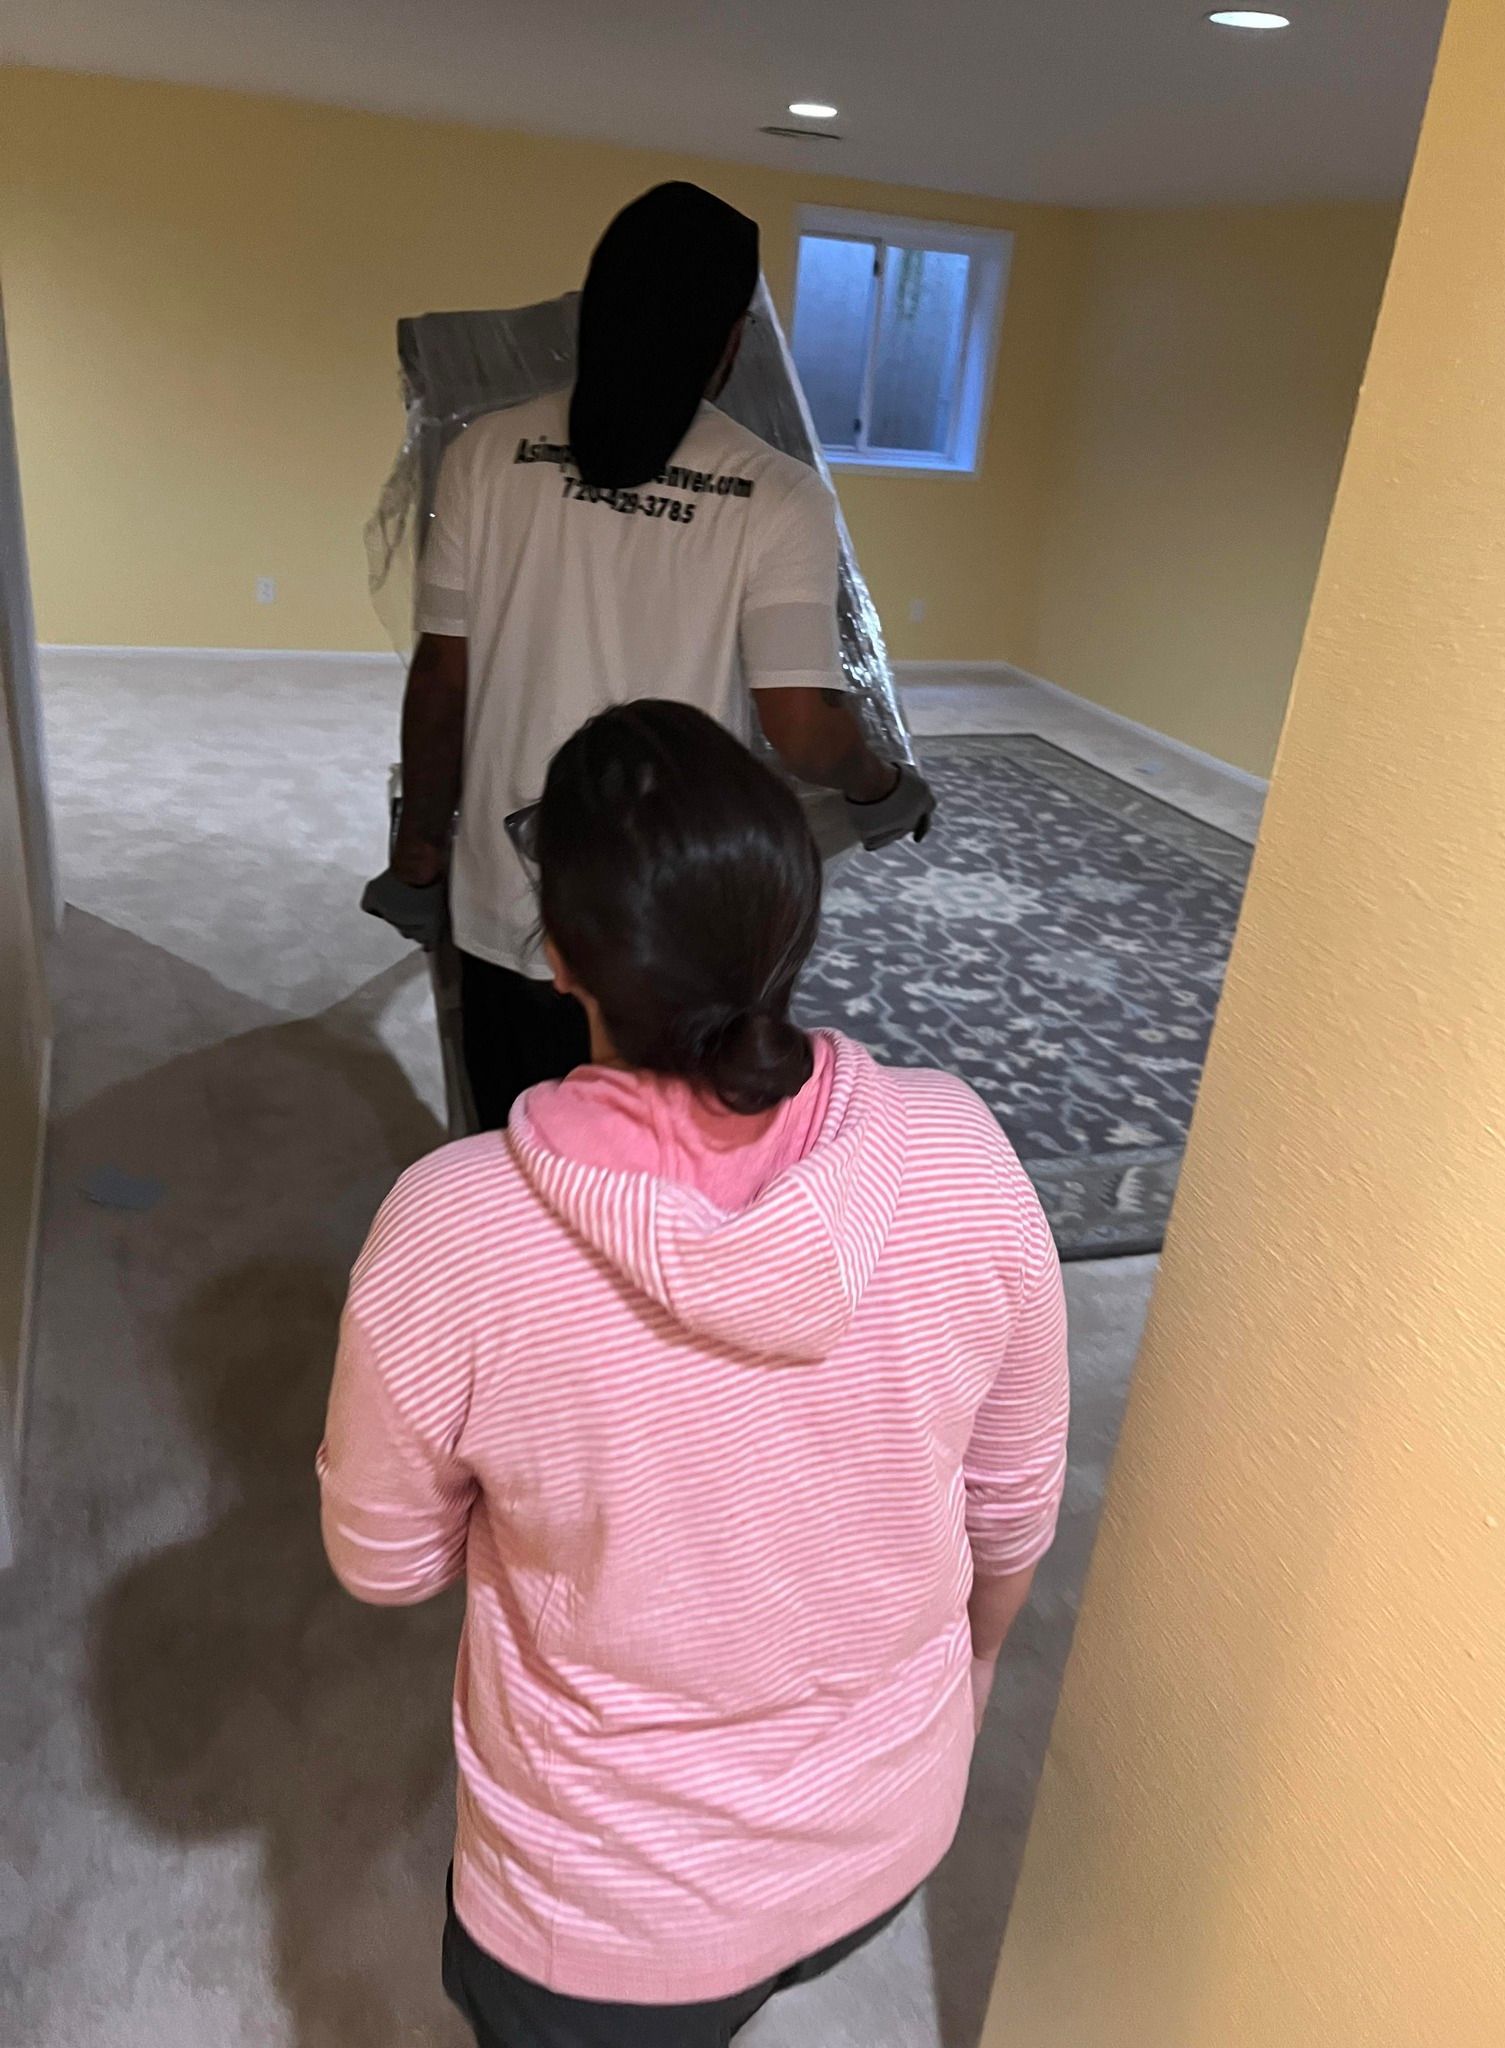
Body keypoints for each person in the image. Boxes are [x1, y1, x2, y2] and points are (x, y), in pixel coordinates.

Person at [323, 701, 1068, 2048]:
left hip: (601, 1922)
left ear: (558, 953)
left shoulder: (453, 1231)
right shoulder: (964, 1152)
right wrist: (953, 1706)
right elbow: (1010, 1518)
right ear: (795, 926)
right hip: (889, 1836)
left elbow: (384, 1562)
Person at [363, 181, 934, 1132]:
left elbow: (442, 681)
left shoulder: (486, 453)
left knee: (516, 1151)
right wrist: (880, 787)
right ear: (730, 344)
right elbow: (801, 727)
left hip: (509, 900)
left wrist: (423, 852)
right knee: (666, 1166)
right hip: (676, 917)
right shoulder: (777, 494)